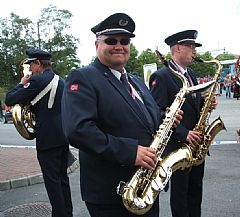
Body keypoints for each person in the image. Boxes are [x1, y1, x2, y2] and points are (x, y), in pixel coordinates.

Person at [61, 13, 182, 217]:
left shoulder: (135, 80)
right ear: (96, 45)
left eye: (124, 41)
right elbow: (78, 130)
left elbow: (143, 120)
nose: (119, 45)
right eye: (111, 40)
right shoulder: (83, 77)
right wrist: (130, 152)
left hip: (147, 188)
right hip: (112, 195)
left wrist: (165, 118)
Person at [149, 30, 217, 217]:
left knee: (195, 194)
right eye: (191, 46)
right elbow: (155, 115)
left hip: (196, 146)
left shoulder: (191, 73)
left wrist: (206, 103)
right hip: (178, 148)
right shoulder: (161, 76)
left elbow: (193, 105)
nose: (194, 51)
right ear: (178, 48)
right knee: (180, 198)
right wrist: (184, 133)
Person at [5, 48, 73, 217]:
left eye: (30, 64)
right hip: (63, 135)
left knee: (52, 182)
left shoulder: (37, 81)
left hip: (47, 138)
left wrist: (22, 83)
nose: (29, 69)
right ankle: (67, 213)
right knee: (63, 179)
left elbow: (10, 99)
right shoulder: (61, 80)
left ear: (37, 63)